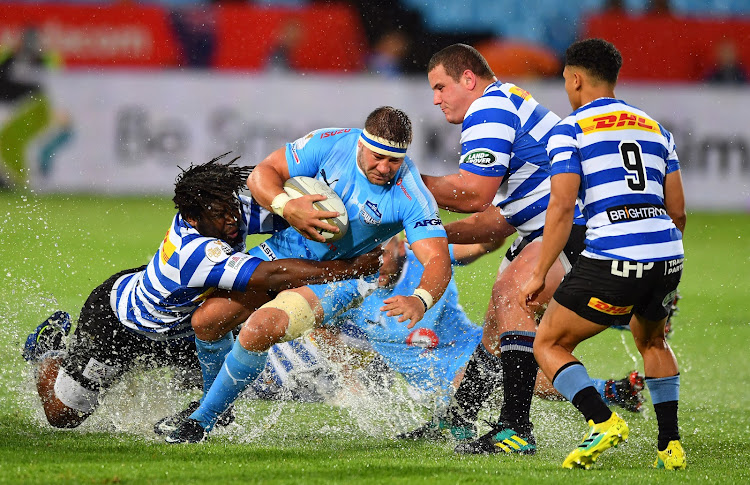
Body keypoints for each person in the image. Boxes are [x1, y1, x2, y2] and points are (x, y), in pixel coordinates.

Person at [24, 153, 382, 429]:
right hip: (122, 325)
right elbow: (271, 275)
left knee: (218, 391)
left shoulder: (228, 215)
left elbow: (294, 216)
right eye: (219, 214)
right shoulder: (194, 251)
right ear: (193, 218)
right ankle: (47, 350)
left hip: (180, 326)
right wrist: (348, 270)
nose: (232, 220)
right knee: (63, 418)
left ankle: (207, 416)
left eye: (231, 209)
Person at [164, 106, 453, 443]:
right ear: (361, 143)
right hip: (285, 252)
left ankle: (201, 420)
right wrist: (286, 205)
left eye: (394, 161)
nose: (384, 168)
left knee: (260, 328)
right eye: (377, 157)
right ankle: (219, 403)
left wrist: (421, 298)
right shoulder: (329, 143)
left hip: (343, 277)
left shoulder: (411, 194)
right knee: (206, 322)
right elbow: (265, 172)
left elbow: (436, 259)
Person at [519, 38, 686, 470]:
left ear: (575, 79)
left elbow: (560, 208)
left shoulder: (570, 129)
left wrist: (539, 273)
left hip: (614, 256)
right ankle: (669, 445)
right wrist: (662, 265)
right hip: (667, 253)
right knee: (652, 339)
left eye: (565, 82)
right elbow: (679, 211)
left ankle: (603, 421)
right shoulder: (655, 128)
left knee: (549, 342)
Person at [412, 43, 586, 456]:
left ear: (468, 79)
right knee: (496, 324)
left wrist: (405, 184)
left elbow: (473, 194)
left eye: (441, 87)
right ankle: (458, 422)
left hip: (572, 228)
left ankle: (516, 430)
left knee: (512, 298)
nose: (435, 99)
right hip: (551, 226)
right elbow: (494, 220)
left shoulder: (488, 109)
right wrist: (422, 229)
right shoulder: (508, 103)